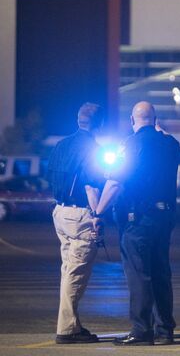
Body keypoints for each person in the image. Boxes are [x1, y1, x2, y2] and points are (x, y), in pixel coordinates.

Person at [91, 101, 180, 346]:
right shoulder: (171, 145)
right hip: (165, 217)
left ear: (132, 121)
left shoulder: (130, 145)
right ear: (155, 120)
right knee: (161, 273)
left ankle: (142, 331)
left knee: (139, 275)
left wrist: (98, 211)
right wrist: (157, 127)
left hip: (138, 220)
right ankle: (165, 330)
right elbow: (166, 137)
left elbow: (116, 182)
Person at [46, 103, 105, 344]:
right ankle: (67, 330)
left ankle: (73, 324)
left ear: (78, 120)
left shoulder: (60, 145)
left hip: (59, 212)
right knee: (76, 273)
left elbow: (49, 176)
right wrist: (97, 216)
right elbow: (91, 185)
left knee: (67, 271)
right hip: (80, 215)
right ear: (100, 124)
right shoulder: (92, 148)